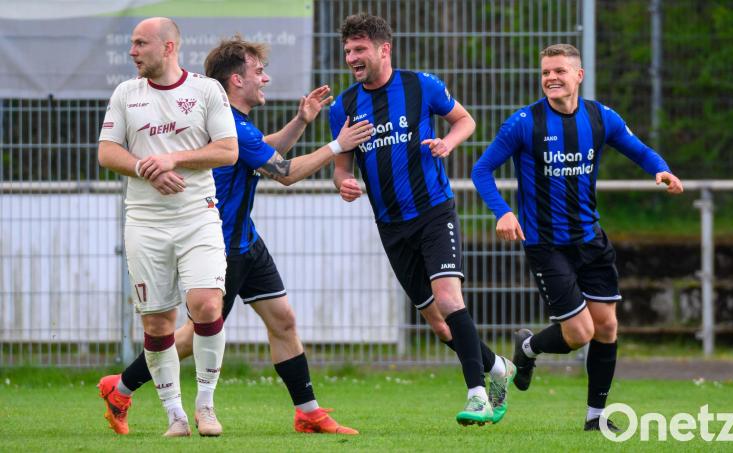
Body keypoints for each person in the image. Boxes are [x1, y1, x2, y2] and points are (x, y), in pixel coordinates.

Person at [97, 35, 373, 436]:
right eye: (258, 72)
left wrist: (301, 121)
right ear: (235, 80)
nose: (265, 78)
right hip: (220, 247)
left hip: (248, 241)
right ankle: (120, 388)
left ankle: (308, 412)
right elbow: (285, 173)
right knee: (192, 338)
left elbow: (266, 150)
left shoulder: (237, 125)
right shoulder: (227, 123)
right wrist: (337, 145)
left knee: (283, 320)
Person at [471, 43, 684, 432]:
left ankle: (594, 417)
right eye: (545, 72)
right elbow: (481, 170)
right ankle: (529, 348)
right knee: (580, 332)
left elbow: (638, 151)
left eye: (559, 71)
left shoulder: (601, 117)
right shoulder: (523, 123)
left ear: (578, 76)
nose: (551, 78)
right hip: (546, 245)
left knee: (606, 327)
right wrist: (503, 211)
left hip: (590, 239)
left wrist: (661, 170)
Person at [329, 13, 515, 426]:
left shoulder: (421, 86)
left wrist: (447, 143)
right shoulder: (344, 106)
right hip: (391, 225)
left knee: (450, 301)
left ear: (383, 49)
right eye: (347, 51)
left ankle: (478, 395)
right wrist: (343, 182)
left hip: (433, 211)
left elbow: (465, 120)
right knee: (440, 324)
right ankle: (500, 367)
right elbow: (341, 166)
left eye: (360, 49)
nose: (352, 58)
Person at [97, 17, 238, 437]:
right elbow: (106, 152)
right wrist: (144, 165)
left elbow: (228, 151)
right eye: (132, 44)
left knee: (208, 305)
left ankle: (206, 406)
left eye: (141, 43)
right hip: (145, 222)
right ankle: (175, 415)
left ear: (169, 46)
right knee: (157, 325)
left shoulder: (205, 90)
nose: (132, 51)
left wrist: (172, 159)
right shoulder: (126, 94)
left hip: (198, 216)